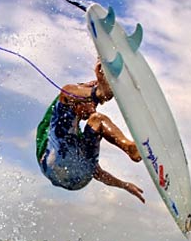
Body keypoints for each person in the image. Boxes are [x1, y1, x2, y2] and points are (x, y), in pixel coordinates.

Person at [35, 58, 145, 203]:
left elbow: (96, 172)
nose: (93, 109)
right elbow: (72, 92)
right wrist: (98, 89)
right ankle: (98, 93)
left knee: (97, 120)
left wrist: (124, 185)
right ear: (77, 102)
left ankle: (131, 148)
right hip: (52, 162)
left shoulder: (77, 141)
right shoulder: (61, 113)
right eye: (91, 104)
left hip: (79, 180)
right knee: (70, 92)